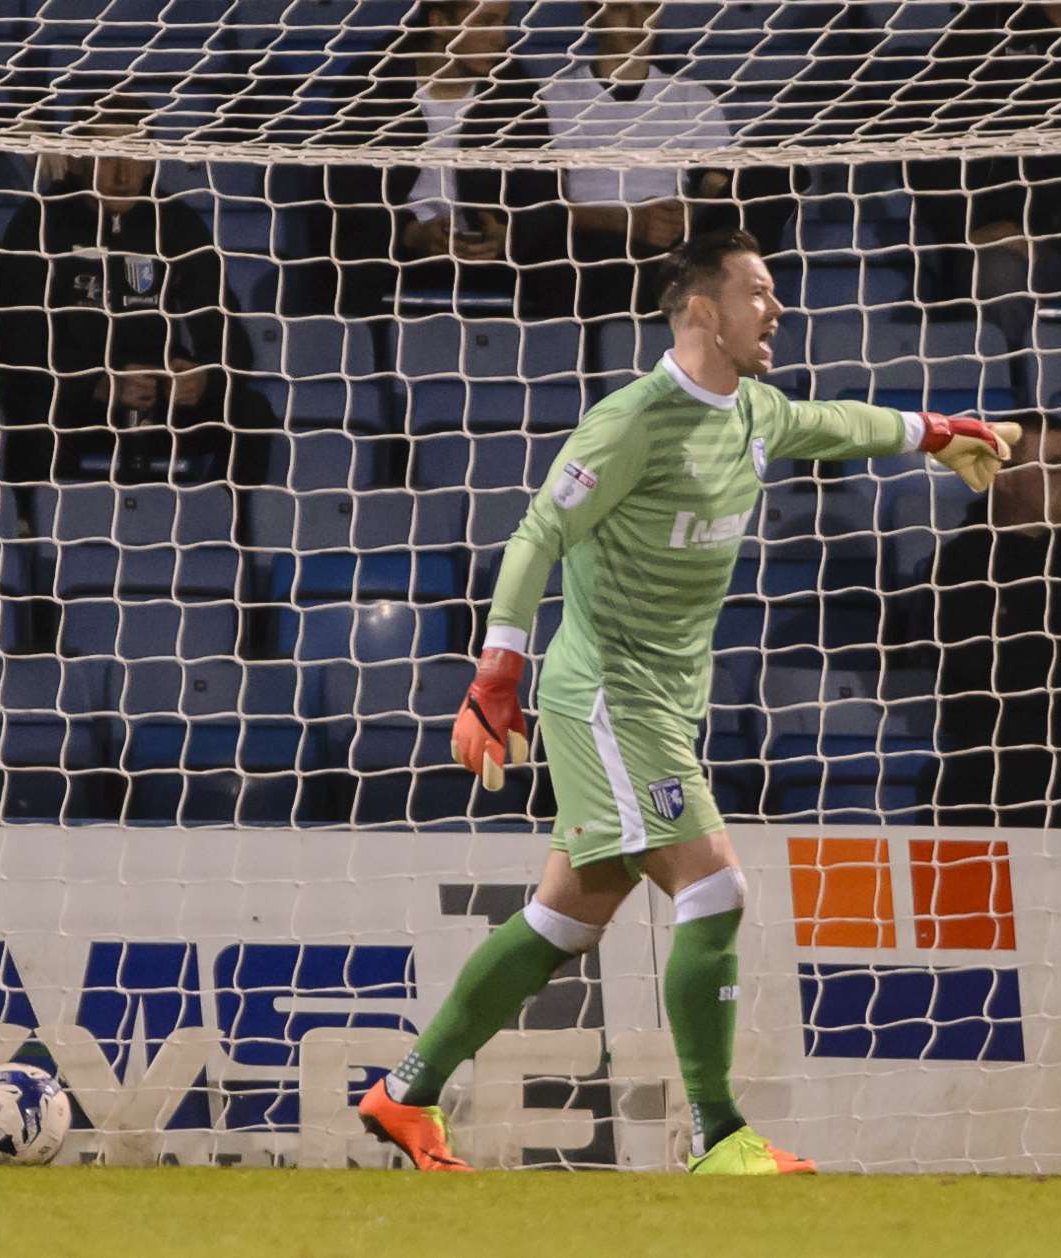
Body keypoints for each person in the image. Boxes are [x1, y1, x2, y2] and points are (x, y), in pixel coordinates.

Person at [355, 229, 1019, 1175]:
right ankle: (717, 1135)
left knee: (565, 919)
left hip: (665, 699)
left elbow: (839, 422)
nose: (777, 308)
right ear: (702, 307)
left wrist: (938, 432)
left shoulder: (754, 410)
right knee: (715, 885)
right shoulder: (632, 420)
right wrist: (496, 677)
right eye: (757, 290)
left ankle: (405, 1093)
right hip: (605, 693)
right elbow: (536, 534)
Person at [0, 99, 264, 493]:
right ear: (79, 159)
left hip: (160, 399)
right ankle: (35, 537)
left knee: (250, 412)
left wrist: (200, 377)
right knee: (31, 416)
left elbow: (230, 339)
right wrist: (99, 384)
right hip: (74, 401)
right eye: (106, 154)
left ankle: (243, 540)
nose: (122, 173)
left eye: (134, 154)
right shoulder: (38, 223)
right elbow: (17, 350)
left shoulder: (176, 223)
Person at [539, 2, 798, 321]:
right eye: (621, 9)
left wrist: (686, 213)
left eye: (648, 7)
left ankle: (724, 294)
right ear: (592, 14)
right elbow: (540, 207)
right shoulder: (550, 99)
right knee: (560, 244)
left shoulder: (691, 97)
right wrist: (629, 220)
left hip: (678, 246)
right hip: (594, 248)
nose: (637, 22)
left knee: (774, 173)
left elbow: (715, 184)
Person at [308, 0, 564, 319]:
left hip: (489, 255)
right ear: (439, 21)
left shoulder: (517, 91)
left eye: (503, 22)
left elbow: (544, 196)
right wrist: (408, 234)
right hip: (393, 251)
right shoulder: (372, 85)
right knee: (342, 259)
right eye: (485, 23)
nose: (501, 38)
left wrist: (508, 234)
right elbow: (342, 194)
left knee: (565, 265)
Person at [903, 3, 1061, 409]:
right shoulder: (986, 28)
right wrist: (970, 229)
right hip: (1005, 237)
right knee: (1000, 276)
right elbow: (922, 138)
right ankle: (1021, 418)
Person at [915, 417, 1061, 825]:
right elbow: (995, 677)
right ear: (1004, 476)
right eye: (1054, 464)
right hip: (996, 781)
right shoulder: (963, 564)